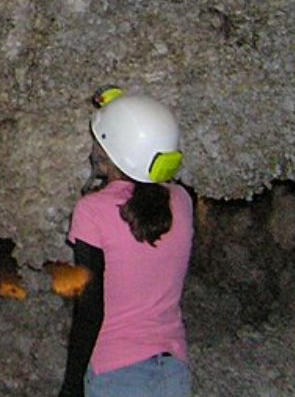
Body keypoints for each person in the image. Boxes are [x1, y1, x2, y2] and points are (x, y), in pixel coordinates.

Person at [58, 88, 194, 397]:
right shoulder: (182, 202)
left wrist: (72, 384)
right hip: (173, 370)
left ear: (108, 151)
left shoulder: (93, 211)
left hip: (117, 372)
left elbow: (90, 309)